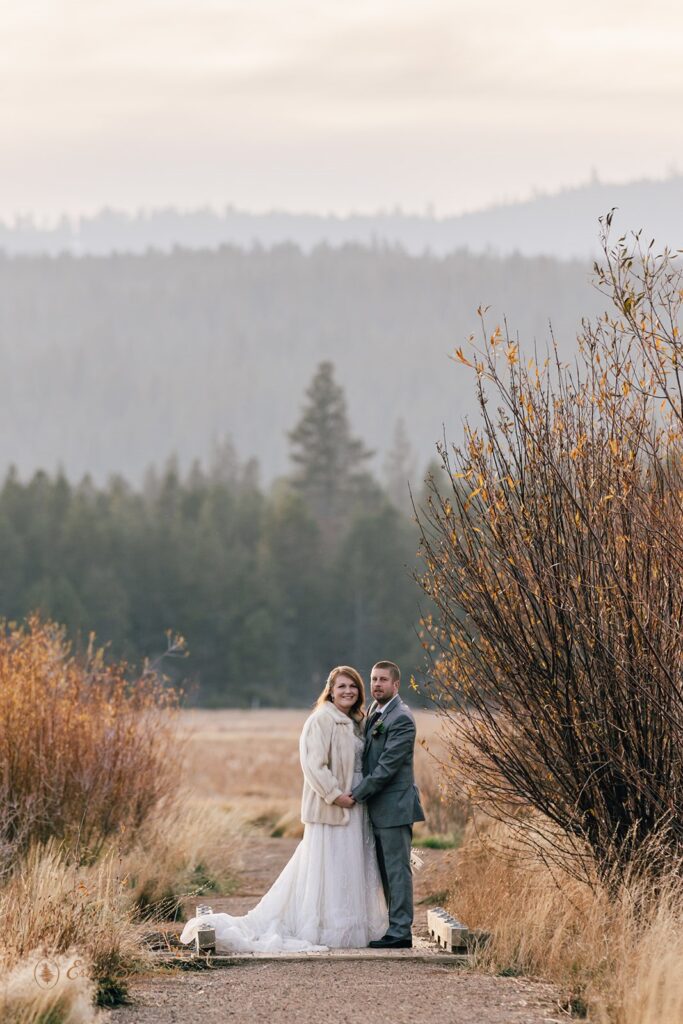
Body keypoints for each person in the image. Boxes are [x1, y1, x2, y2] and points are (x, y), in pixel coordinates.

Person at [179, 666, 388, 952]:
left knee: (351, 863)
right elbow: (313, 765)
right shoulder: (321, 719)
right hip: (333, 806)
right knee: (331, 863)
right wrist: (335, 794)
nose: (348, 691)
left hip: (357, 803)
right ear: (330, 690)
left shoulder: (355, 721)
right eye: (341, 686)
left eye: (353, 686)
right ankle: (329, 926)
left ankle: (351, 923)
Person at [351, 660, 425, 949]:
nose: (376, 684)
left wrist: (357, 793)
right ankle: (393, 926)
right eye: (373, 679)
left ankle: (401, 932)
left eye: (382, 680)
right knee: (385, 871)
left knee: (397, 871)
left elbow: (387, 767)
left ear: (396, 684)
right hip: (379, 809)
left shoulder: (401, 718)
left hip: (395, 807)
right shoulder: (375, 712)